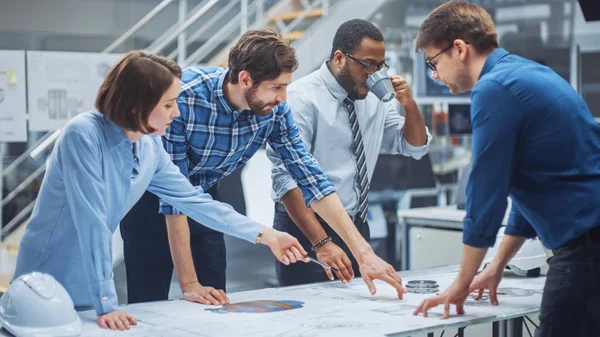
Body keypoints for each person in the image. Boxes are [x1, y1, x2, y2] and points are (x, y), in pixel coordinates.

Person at [12, 50, 309, 331]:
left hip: (93, 281)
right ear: (136, 105)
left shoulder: (149, 145)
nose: (177, 112)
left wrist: (267, 235)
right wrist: (106, 303)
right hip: (46, 278)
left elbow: (194, 200)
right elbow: (92, 224)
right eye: (168, 104)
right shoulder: (83, 134)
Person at [121, 28, 406, 306]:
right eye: (276, 87)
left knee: (215, 299)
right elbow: (175, 197)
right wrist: (189, 284)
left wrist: (364, 254)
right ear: (245, 79)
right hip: (151, 198)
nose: (283, 97)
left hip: (205, 197)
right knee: (149, 302)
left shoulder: (275, 110)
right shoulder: (186, 98)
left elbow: (310, 177)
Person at [411, 2, 600, 336]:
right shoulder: (527, 72)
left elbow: (486, 193)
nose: (435, 75)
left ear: (459, 48)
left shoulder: (494, 88)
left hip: (586, 251)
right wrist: (496, 265)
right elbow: (530, 187)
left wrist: (462, 282)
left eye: (433, 63)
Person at [267, 19, 431, 286]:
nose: (374, 74)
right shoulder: (301, 98)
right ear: (340, 58)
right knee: (308, 318)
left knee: (355, 312)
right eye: (367, 65)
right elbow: (286, 181)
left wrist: (408, 104)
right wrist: (321, 241)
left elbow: (413, 146)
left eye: (380, 66)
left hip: (355, 224)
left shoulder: (375, 99)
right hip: (306, 225)